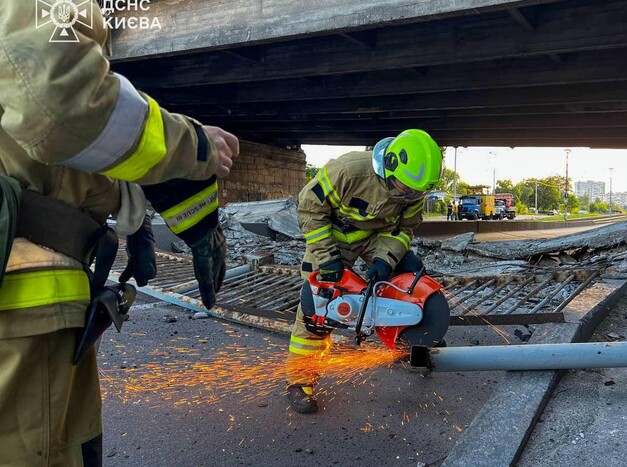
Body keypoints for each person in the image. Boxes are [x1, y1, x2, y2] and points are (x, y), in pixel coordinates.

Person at [0, 2, 237, 465]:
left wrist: (134, 214)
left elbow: (60, 137)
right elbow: (65, 109)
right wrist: (196, 147)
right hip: (21, 299)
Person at [286, 129, 443, 414]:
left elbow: (404, 229)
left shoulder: (413, 190)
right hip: (331, 237)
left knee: (409, 274)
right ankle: (300, 381)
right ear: (390, 164)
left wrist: (385, 260)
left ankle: (413, 345)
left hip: (376, 239)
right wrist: (328, 259)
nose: (408, 195)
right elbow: (310, 209)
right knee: (316, 308)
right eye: (404, 188)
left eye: (416, 191)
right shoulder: (347, 171)